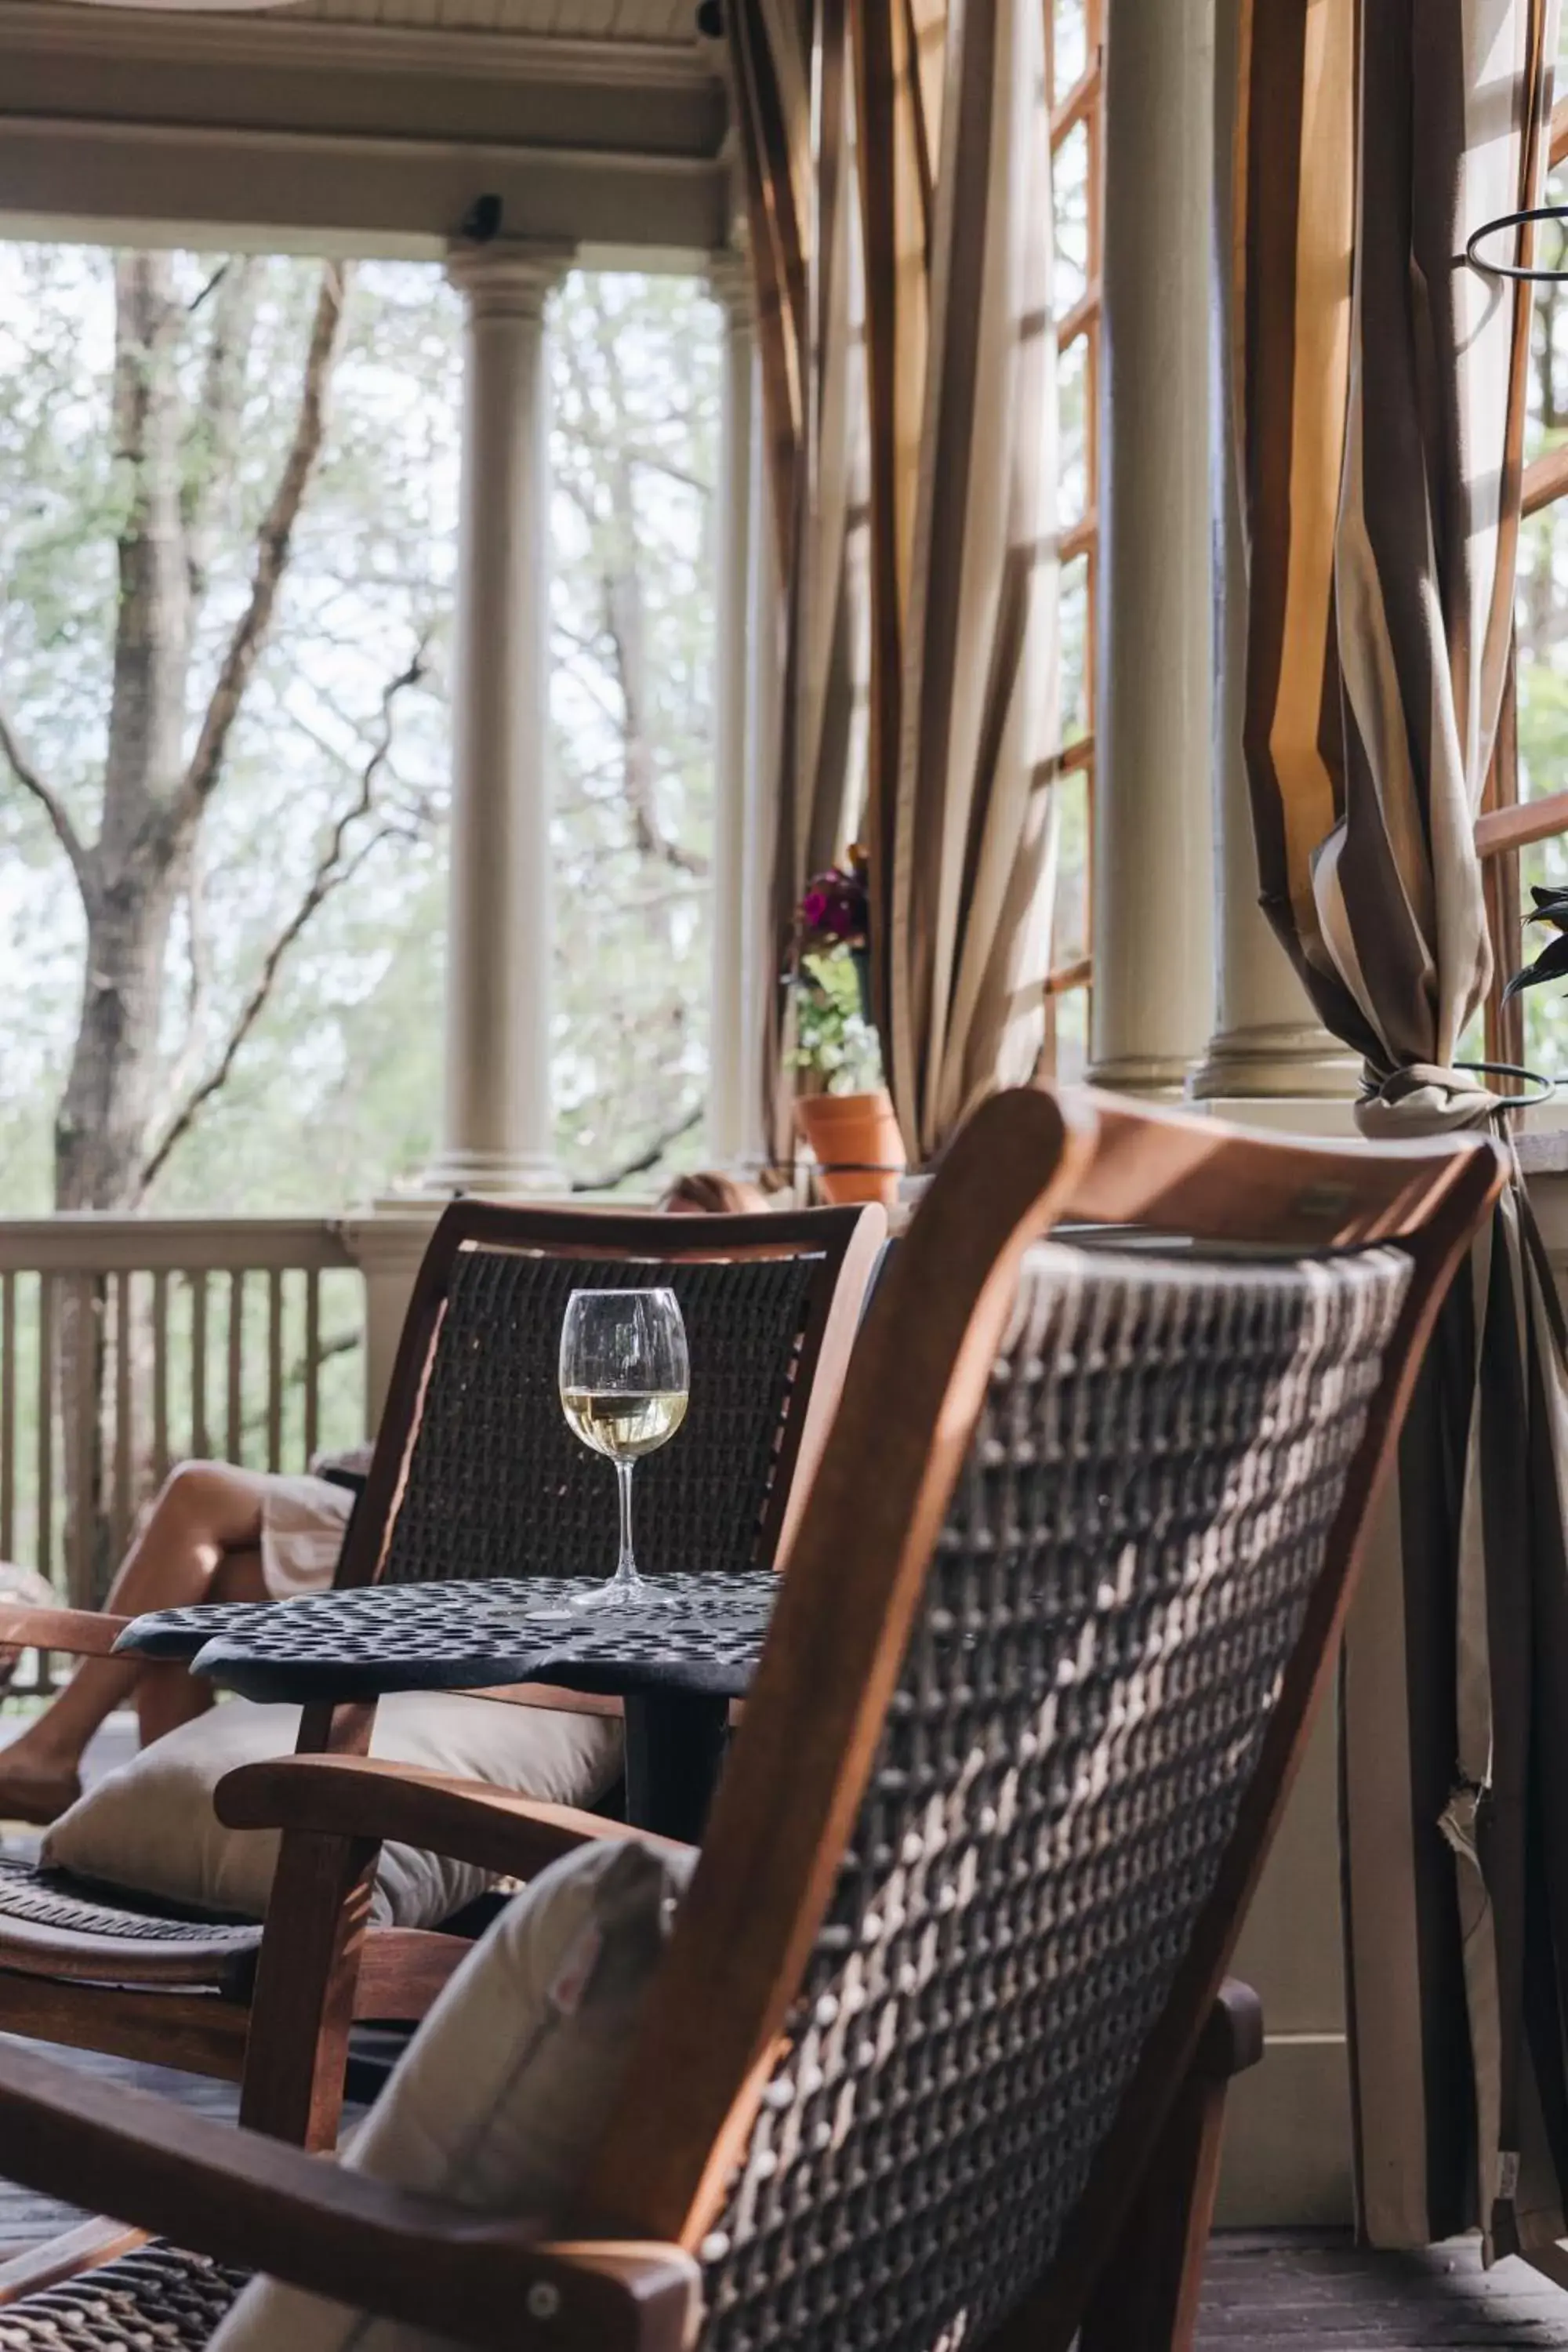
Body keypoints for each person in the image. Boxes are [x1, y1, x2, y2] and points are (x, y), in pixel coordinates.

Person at [0, 1173, 772, 1824]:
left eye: (694, 1244)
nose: (668, 1263)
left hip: (438, 1540)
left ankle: (57, 1755)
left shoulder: (739, 1388)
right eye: (660, 1239)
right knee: (207, 1577)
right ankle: (167, 1825)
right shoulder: (615, 1348)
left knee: (200, 1515)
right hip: (402, 1501)